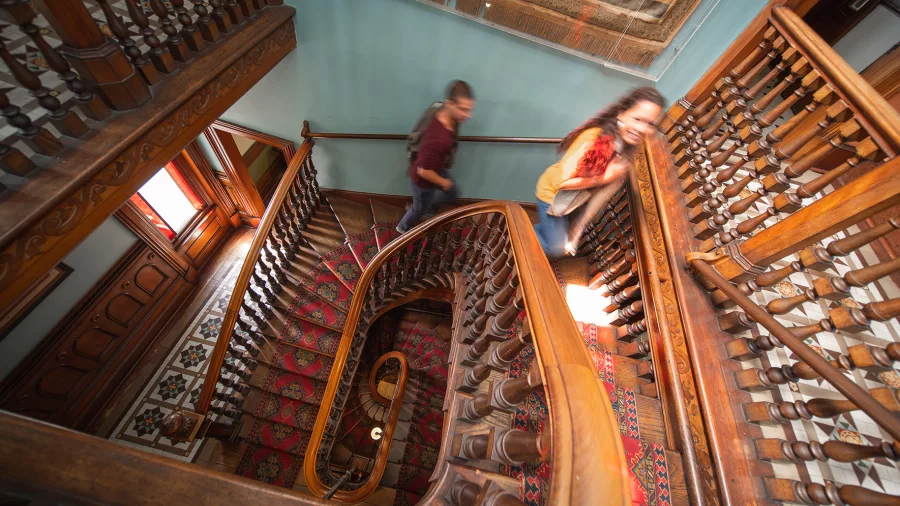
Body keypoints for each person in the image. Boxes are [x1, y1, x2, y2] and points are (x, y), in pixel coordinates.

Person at [534, 87, 665, 258]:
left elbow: (605, 192)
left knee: (559, 240)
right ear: (621, 113)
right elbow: (560, 183)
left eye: (650, 124)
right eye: (638, 119)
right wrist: (604, 178)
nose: (642, 128)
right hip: (551, 195)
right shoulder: (594, 139)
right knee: (556, 249)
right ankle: (519, 235)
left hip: (572, 201)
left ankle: (539, 231)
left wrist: (578, 228)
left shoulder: (625, 149)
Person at [397, 80, 475, 233]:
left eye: (469, 110)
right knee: (419, 209)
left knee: (452, 192)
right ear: (449, 104)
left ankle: (425, 207)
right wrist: (443, 182)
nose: (468, 115)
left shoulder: (442, 111)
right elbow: (423, 171)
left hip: (435, 167)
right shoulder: (438, 139)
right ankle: (402, 228)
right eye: (463, 109)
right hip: (422, 180)